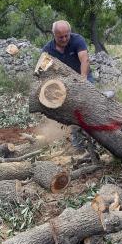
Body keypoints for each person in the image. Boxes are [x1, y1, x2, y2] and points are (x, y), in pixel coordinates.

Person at [43, 20, 94, 151]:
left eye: (67, 35)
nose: (65, 39)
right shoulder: (47, 50)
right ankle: (79, 145)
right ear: (54, 35)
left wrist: (83, 80)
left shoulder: (78, 40)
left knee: (89, 108)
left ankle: (94, 140)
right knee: (73, 113)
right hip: (64, 84)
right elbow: (44, 72)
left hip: (83, 77)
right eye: (61, 37)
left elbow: (84, 60)